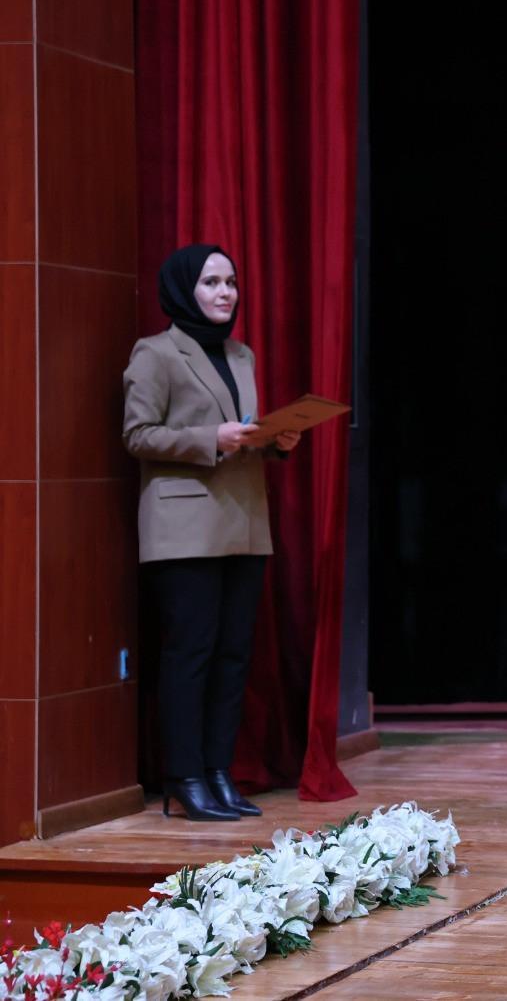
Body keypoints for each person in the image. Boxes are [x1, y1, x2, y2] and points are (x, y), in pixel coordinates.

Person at [123, 244, 300, 821]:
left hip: (244, 521)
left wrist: (274, 441)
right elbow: (138, 435)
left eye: (231, 282)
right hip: (184, 527)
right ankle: (184, 778)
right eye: (211, 282)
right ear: (183, 289)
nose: (225, 293)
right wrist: (210, 438)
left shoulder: (240, 353)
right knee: (191, 654)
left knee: (233, 656)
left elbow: (240, 432)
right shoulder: (155, 353)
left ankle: (219, 772)